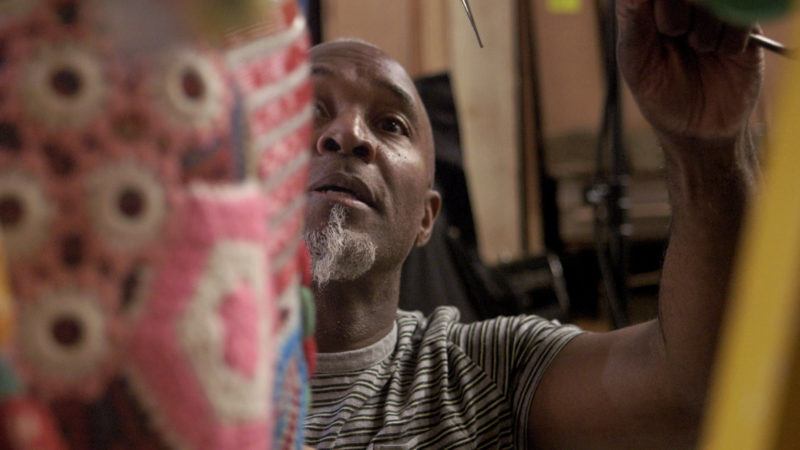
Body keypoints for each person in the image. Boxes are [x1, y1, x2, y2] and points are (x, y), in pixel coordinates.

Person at [301, 0, 763, 448]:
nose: (349, 135)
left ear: (426, 217)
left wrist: (705, 148)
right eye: (310, 109)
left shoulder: (490, 372)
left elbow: (696, 394)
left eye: (391, 124)